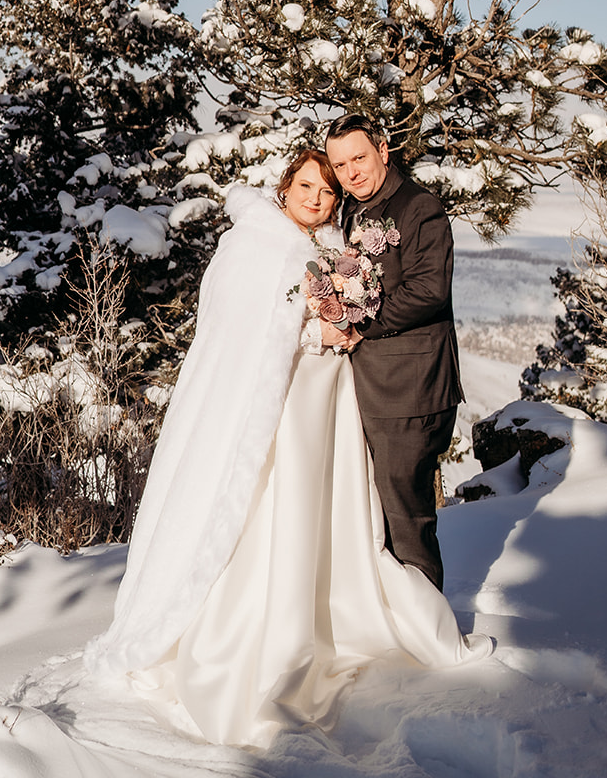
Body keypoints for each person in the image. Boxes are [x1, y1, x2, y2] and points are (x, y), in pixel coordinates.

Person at [85, 148, 491, 750]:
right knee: (279, 504)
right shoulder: (252, 240)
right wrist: (310, 327)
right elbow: (237, 325)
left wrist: (343, 313)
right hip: (280, 406)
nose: (317, 199)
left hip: (325, 404)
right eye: (307, 186)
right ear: (285, 187)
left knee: (327, 505)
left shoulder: (331, 245)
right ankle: (265, 626)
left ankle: (335, 608)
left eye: (328, 192)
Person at [324, 113, 462, 593]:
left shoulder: (418, 207)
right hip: (372, 390)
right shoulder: (351, 211)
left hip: (413, 390)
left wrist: (357, 322)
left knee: (406, 516)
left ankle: (429, 632)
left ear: (383, 149)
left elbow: (429, 290)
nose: (351, 173)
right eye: (340, 165)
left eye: (359, 157)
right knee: (378, 515)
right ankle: (397, 621)